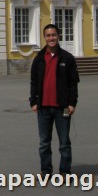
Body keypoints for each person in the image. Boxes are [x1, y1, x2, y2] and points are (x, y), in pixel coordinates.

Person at [29, 23, 79, 175]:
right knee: (44, 143)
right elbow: (34, 81)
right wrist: (33, 101)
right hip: (43, 107)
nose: (51, 38)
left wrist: (72, 103)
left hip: (62, 107)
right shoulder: (38, 59)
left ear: (58, 36)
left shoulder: (67, 58)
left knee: (64, 143)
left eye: (54, 35)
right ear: (44, 37)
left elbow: (73, 83)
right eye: (48, 35)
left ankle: (64, 171)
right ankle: (46, 171)